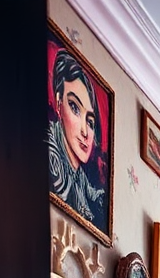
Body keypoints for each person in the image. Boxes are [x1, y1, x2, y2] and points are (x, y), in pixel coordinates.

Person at [48, 46, 107, 235]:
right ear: (58, 103)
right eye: (74, 107)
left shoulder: (79, 176)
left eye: (90, 122)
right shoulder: (49, 155)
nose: (85, 131)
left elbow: (91, 192)